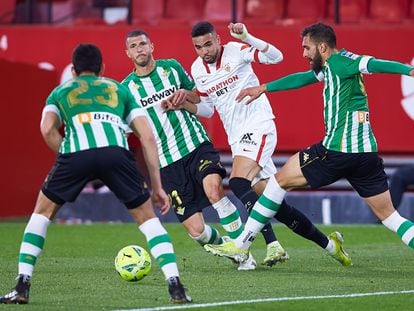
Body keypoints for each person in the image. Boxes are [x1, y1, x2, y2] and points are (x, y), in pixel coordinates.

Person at [204, 22, 414, 264]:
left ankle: (242, 244)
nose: (303, 54)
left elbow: (375, 63)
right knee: (390, 217)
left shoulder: (343, 62)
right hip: (366, 155)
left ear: (322, 47)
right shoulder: (330, 67)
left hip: (336, 150)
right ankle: (250, 244)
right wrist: (264, 87)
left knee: (278, 182)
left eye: (306, 48)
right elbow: (303, 79)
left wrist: (408, 71)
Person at [0, 44, 191, 305]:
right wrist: (156, 187)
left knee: (41, 215)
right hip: (116, 153)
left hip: (76, 153)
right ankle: (175, 285)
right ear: (102, 68)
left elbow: (47, 129)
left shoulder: (60, 91)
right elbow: (146, 136)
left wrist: (67, 154)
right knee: (148, 220)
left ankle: (22, 285)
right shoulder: (118, 89)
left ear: (74, 70)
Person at [188, 21, 351, 267]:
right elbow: (208, 109)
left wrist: (247, 36)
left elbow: (276, 57)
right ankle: (330, 246)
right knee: (273, 202)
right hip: (237, 137)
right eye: (199, 47)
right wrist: (184, 105)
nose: (204, 51)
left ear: (218, 40)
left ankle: (243, 244)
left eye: (208, 44)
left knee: (237, 181)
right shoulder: (197, 69)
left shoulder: (237, 51)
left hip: (258, 125)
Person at [121, 29, 255, 271]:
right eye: (133, 46)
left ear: (152, 46)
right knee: (197, 231)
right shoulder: (126, 89)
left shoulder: (171, 68)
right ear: (128, 53)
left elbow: (203, 102)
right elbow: (126, 130)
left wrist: (185, 96)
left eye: (143, 44)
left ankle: (243, 252)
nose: (139, 49)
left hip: (195, 146)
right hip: (167, 163)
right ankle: (231, 249)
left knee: (214, 191)